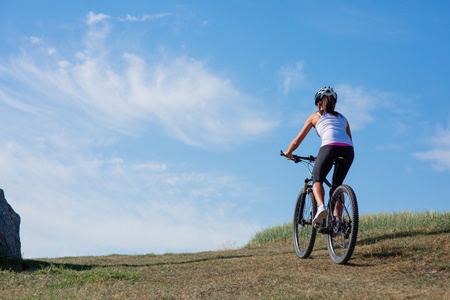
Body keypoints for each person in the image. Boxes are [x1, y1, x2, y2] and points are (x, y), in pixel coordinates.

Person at [284, 86, 354, 228]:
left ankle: (321, 207)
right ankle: (338, 222)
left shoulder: (315, 116)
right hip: (348, 151)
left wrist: (288, 153)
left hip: (329, 147)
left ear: (318, 104)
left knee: (317, 179)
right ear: (334, 104)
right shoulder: (342, 118)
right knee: (337, 186)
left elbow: (297, 141)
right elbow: (349, 139)